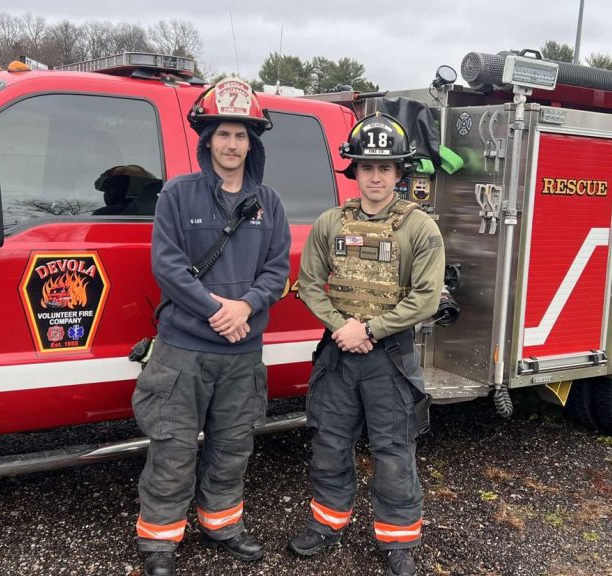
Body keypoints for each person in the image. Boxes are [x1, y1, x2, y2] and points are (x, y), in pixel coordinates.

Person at [133, 77, 291, 576]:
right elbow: (168, 265)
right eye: (223, 134)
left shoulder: (271, 202)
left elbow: (277, 268)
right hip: (183, 350)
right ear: (207, 140)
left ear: (253, 142)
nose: (231, 144)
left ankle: (221, 525)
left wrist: (245, 307)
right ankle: (159, 542)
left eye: (241, 135)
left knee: (232, 444)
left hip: (241, 352)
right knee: (174, 446)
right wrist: (215, 310)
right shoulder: (178, 195)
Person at [290, 112, 445, 576]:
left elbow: (426, 297)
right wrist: (342, 327)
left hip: (389, 359)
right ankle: (327, 522)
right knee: (330, 442)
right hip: (338, 354)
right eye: (366, 167)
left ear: (400, 173)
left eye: (385, 168)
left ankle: (397, 540)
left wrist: (370, 330)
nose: (375, 177)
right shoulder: (329, 223)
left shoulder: (420, 229)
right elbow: (310, 283)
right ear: (353, 171)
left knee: (394, 450)